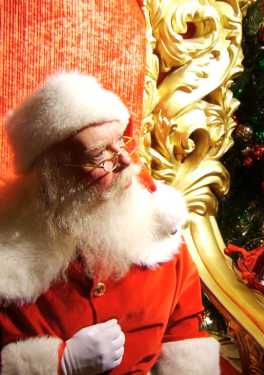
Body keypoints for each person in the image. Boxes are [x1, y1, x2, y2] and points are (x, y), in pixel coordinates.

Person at [0, 72, 220, 374]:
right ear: (54, 177)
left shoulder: (158, 231)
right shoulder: (9, 261)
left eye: (121, 142)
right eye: (99, 154)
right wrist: (58, 364)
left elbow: (184, 333)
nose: (125, 161)